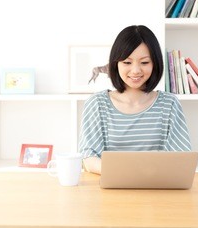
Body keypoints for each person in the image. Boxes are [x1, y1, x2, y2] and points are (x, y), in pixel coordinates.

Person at [79, 25, 191, 175]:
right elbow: (89, 157)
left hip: (158, 191)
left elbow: (181, 157)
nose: (136, 70)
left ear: (155, 63)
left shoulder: (169, 104)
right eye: (127, 62)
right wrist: (128, 172)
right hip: (111, 192)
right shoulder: (97, 104)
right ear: (115, 64)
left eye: (144, 62)